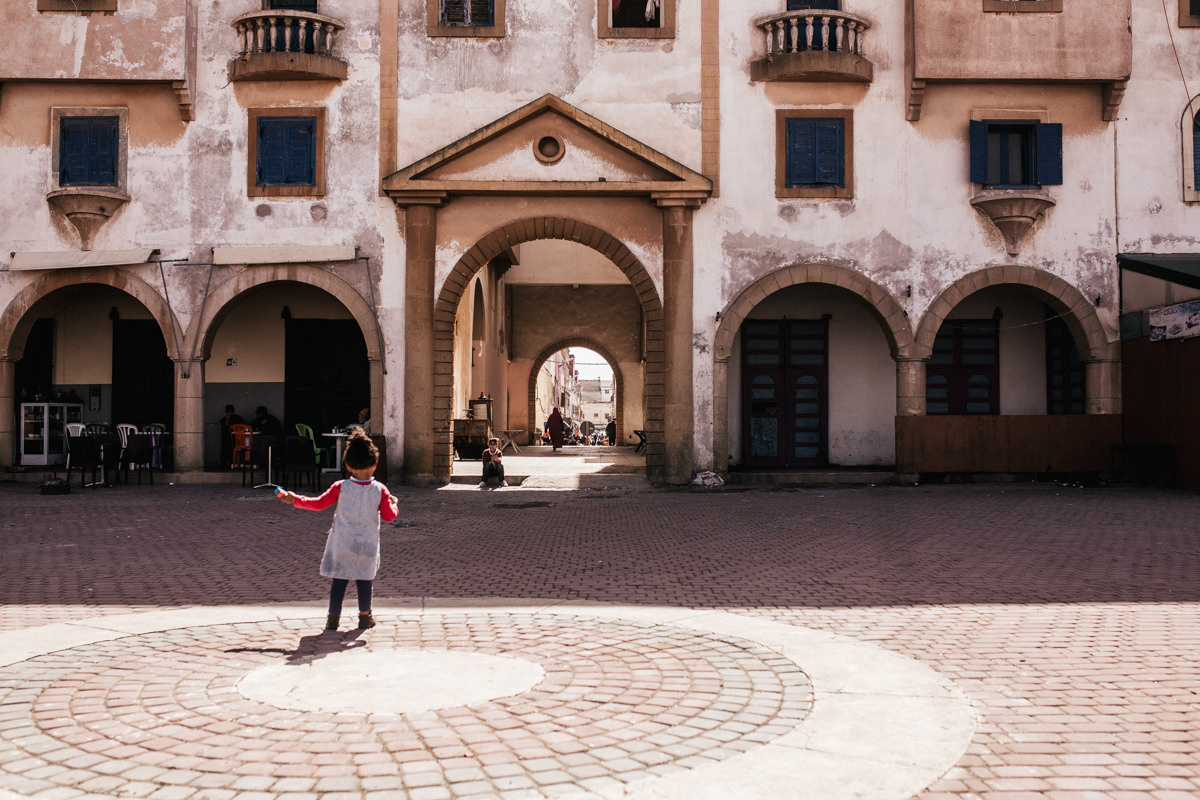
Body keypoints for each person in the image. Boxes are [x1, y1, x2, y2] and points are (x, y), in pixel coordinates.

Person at [278, 429, 399, 631]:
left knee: (339, 581)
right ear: (375, 465)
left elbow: (318, 504)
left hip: (342, 542)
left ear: (348, 466)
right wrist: (394, 503)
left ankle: (333, 618)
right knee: (364, 581)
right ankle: (364, 617)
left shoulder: (340, 486)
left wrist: (295, 499)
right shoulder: (380, 490)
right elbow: (389, 516)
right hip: (367, 544)